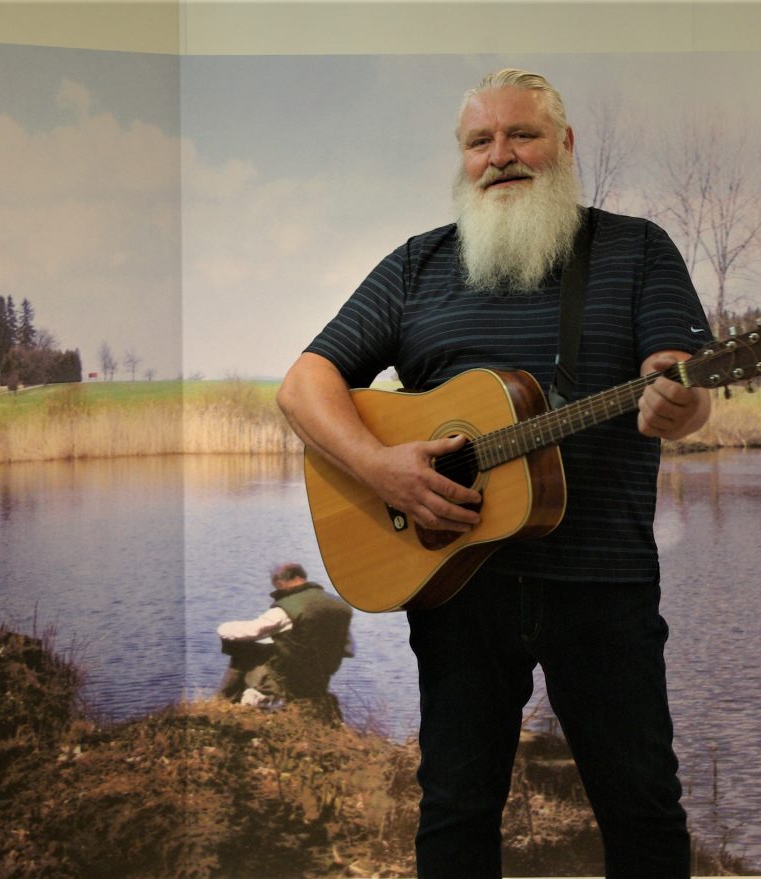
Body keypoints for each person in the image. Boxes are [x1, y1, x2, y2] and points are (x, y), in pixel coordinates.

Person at [276, 69, 712, 878]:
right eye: (481, 141)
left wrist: (677, 402)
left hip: (603, 587)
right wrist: (380, 467)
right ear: (463, 156)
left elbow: (677, 375)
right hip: (456, 588)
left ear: (565, 144)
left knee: (644, 812)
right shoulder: (418, 265)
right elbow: (304, 384)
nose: (500, 155)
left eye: (523, 135)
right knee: (454, 811)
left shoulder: (636, 249)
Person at [216, 562, 353, 718]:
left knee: (241, 647)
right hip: (318, 680)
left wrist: (223, 628)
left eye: (276, 587)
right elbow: (349, 649)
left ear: (280, 582)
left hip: (287, 678)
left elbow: (253, 631)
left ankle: (222, 702)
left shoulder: (288, 607)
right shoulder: (341, 606)